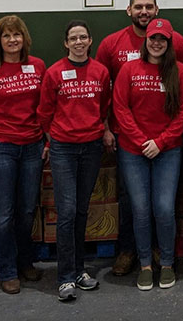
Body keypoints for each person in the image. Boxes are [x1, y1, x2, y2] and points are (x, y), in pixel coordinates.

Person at [95, 0, 183, 277]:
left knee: (164, 207)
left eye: (149, 6)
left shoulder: (179, 69)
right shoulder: (122, 59)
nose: (144, 11)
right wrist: (136, 139)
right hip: (131, 147)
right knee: (136, 207)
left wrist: (161, 142)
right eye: (138, 6)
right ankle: (139, 260)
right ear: (130, 11)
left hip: (167, 147)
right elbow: (115, 102)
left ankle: (165, 259)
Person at [0, 15, 46, 295]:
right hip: (0, 147)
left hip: (33, 146)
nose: (12, 40)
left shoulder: (37, 66)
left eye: (17, 35)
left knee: (26, 211)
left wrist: (46, 140)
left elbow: (46, 106)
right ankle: (7, 270)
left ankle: (25, 261)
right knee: (4, 214)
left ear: (24, 38)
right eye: (6, 36)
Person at [37, 20, 112, 302]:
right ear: (66, 43)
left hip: (91, 147)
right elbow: (44, 111)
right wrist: (53, 139)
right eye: (73, 38)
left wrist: (101, 130)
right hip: (63, 150)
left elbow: (104, 105)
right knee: (66, 212)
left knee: (81, 210)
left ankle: (80, 271)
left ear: (90, 41)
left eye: (83, 37)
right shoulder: (55, 72)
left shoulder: (100, 71)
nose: (79, 42)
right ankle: (65, 277)